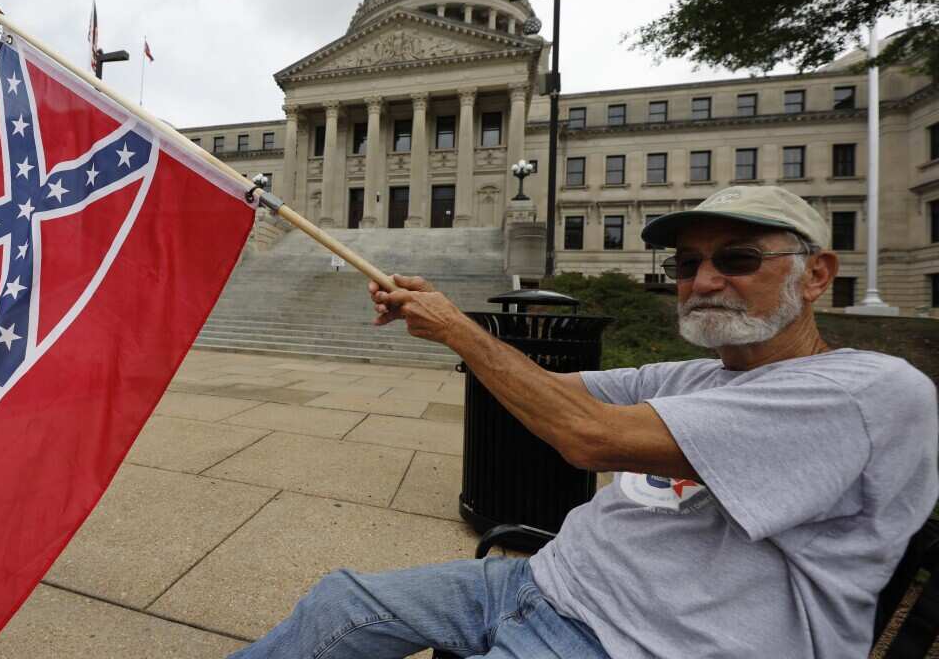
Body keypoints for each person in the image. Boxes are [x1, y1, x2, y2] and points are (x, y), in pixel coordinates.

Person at [229, 186, 938, 658]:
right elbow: (548, 386)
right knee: (339, 603)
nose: (704, 279)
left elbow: (586, 435)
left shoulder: (866, 393)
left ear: (817, 275)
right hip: (547, 582)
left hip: (644, 642)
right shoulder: (695, 376)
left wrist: (460, 332)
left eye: (739, 258)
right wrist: (444, 316)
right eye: (686, 263)